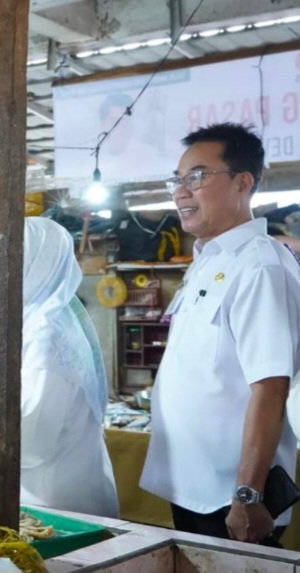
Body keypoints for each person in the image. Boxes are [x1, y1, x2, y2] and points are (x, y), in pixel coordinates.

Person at [140, 123, 300, 546]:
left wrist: (248, 494)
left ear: (242, 182)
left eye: (196, 177)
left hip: (231, 497)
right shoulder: (208, 261)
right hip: (195, 485)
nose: (180, 192)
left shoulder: (261, 267)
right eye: (177, 179)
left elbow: (270, 387)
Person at [0, 217, 119, 518]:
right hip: (46, 494)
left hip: (49, 504)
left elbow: (30, 440)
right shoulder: (46, 317)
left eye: (4, 259)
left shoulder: (46, 333)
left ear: (35, 263)